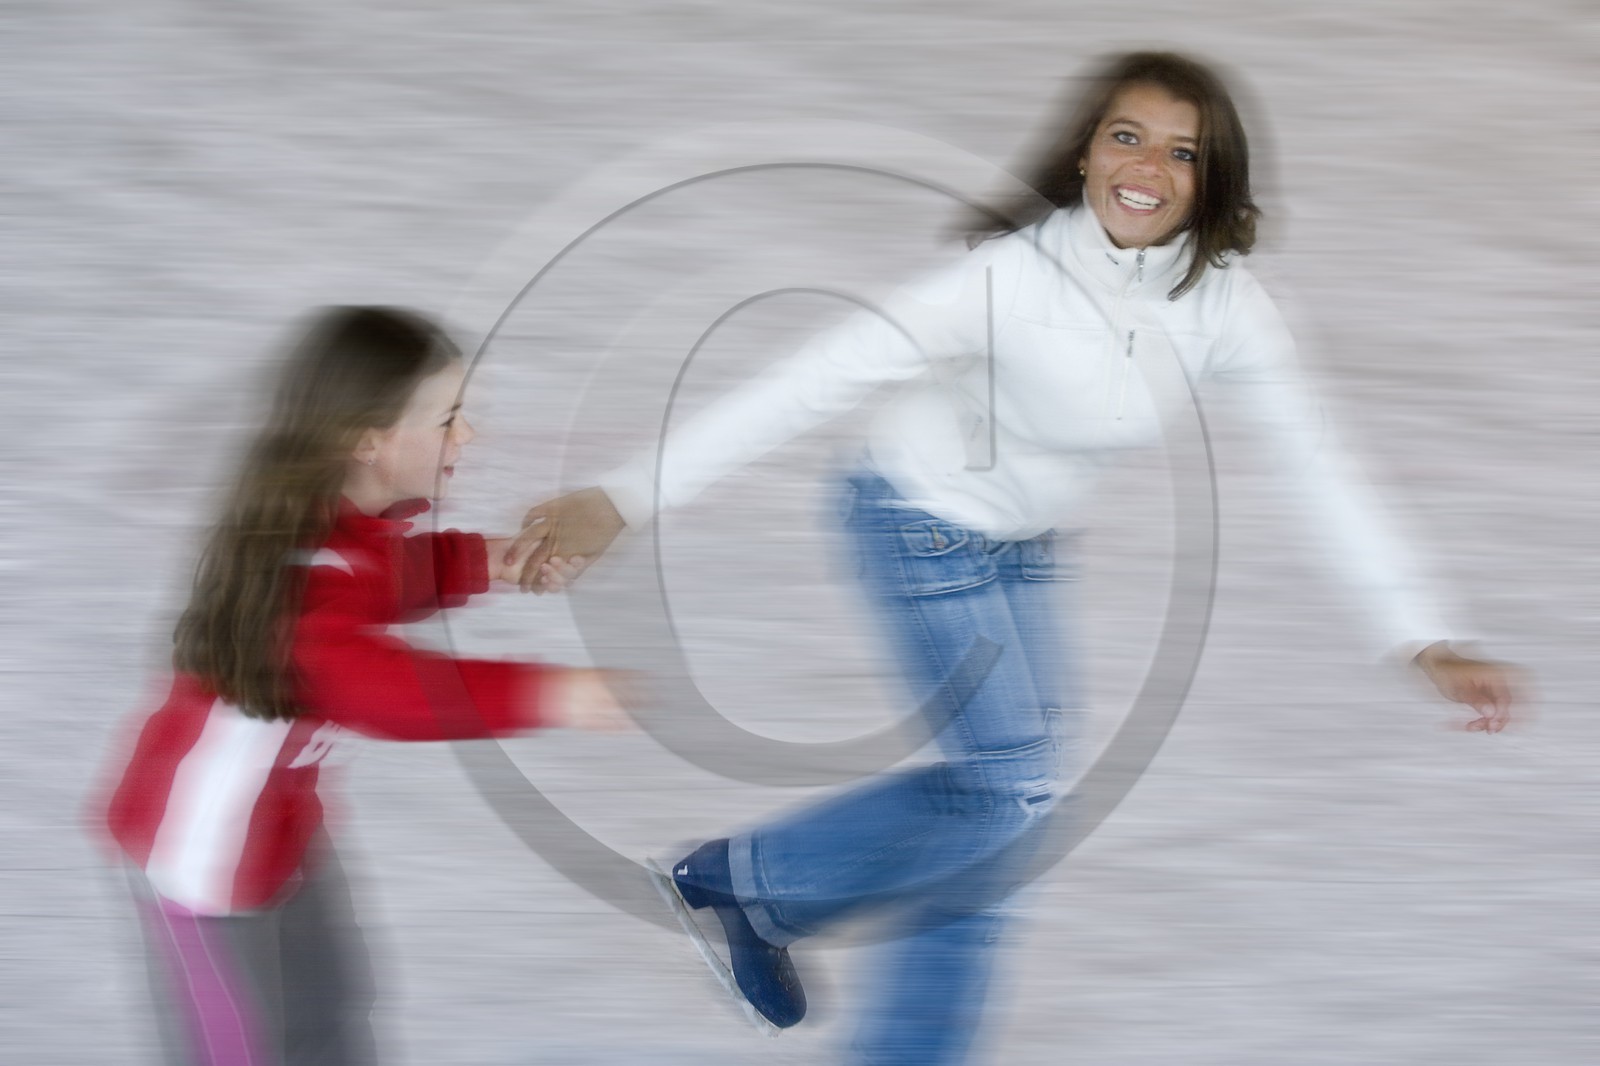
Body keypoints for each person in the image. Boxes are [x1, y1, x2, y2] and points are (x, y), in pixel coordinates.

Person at [511, 52, 1519, 1064]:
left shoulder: (1227, 305)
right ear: (1084, 152)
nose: (1148, 167)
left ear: (1212, 180)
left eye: (1184, 152)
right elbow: (811, 377)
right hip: (910, 517)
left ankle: (753, 900)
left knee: (1004, 813)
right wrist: (624, 496)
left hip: (1021, 545)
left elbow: (1319, 465)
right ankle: (781, 927)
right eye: (1126, 136)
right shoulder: (1002, 281)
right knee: (1009, 797)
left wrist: (1420, 632)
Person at [99, 306, 624, 1065]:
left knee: (333, 1013)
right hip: (200, 865)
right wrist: (548, 693)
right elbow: (385, 692)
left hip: (281, 834)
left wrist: (496, 559)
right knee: (236, 1051)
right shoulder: (300, 575)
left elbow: (389, 577)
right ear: (368, 440)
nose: (466, 436)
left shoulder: (342, 529)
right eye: (448, 419)